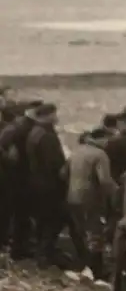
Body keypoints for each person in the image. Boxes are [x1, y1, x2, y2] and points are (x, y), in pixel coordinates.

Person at [65, 127, 118, 279]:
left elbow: (63, 173)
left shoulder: (77, 151)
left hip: (72, 197)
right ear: (102, 138)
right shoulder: (100, 154)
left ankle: (81, 264)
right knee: (95, 234)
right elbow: (105, 181)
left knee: (80, 232)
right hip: (91, 199)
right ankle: (97, 271)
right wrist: (118, 193)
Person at [0, 100, 44, 260]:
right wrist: (10, 160)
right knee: (16, 212)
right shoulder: (17, 129)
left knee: (13, 212)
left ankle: (12, 243)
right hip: (16, 178)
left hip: (15, 177)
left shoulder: (17, 128)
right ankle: (16, 247)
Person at [26, 103, 68, 268]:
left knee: (43, 219)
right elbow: (54, 163)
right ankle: (45, 254)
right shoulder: (47, 135)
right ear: (48, 115)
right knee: (54, 218)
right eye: (55, 114)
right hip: (50, 185)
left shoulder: (34, 132)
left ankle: (43, 252)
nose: (57, 117)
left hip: (37, 182)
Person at [105, 112, 126, 183]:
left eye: (118, 124)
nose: (117, 127)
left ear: (122, 123)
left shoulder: (117, 141)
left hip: (121, 176)